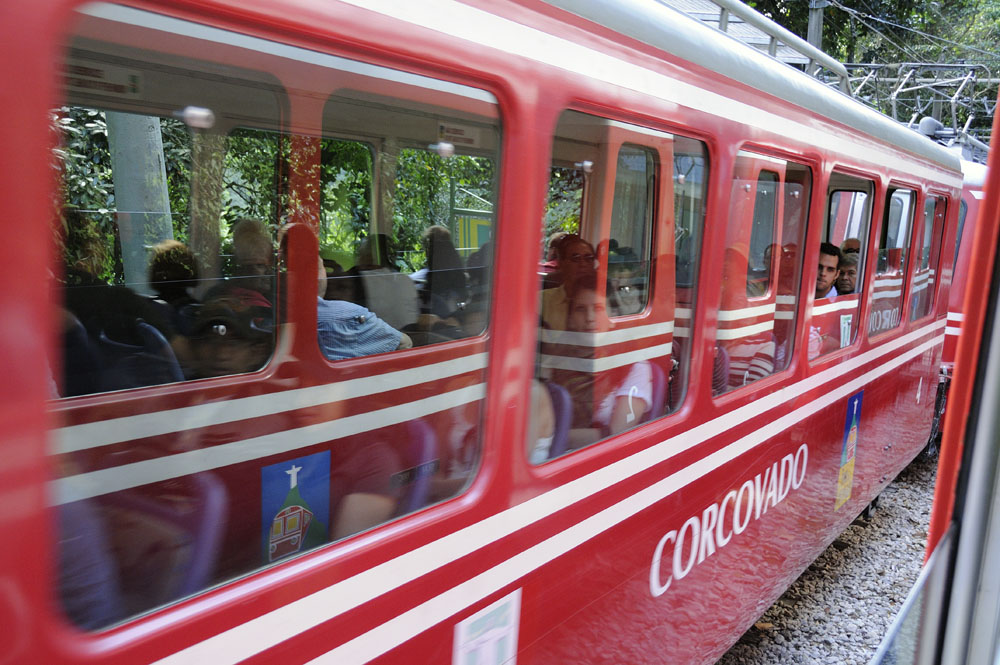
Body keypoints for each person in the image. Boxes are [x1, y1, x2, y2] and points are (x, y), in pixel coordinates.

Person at [317, 257, 412, 360]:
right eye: (330, 287)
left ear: (360, 293)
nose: (332, 293)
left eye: (341, 288)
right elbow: (405, 344)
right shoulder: (351, 316)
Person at [540, 234, 597, 330]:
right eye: (576, 258)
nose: (583, 264)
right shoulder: (541, 300)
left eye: (588, 258)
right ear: (561, 263)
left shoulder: (603, 301)